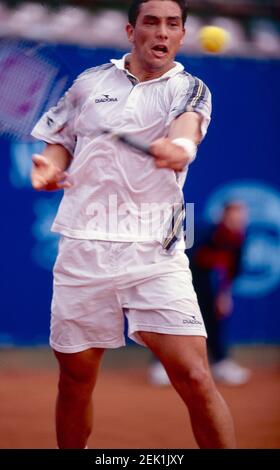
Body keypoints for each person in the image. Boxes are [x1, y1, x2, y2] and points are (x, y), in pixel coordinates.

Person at [30, 0, 236, 449]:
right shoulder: (89, 84)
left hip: (154, 252)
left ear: (181, 34)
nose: (162, 32)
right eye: (151, 22)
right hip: (83, 246)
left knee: (196, 376)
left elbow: (187, 129)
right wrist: (47, 167)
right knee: (75, 378)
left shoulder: (190, 88)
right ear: (131, 30)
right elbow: (59, 140)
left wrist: (179, 148)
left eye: (172, 24)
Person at [190, 201, 251, 385]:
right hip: (191, 285)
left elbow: (232, 271)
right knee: (181, 322)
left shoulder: (239, 239)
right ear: (224, 217)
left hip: (214, 290)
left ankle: (221, 363)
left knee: (215, 322)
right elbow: (190, 259)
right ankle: (161, 365)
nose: (238, 221)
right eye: (234, 217)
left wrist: (224, 294)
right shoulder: (206, 233)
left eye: (241, 218)